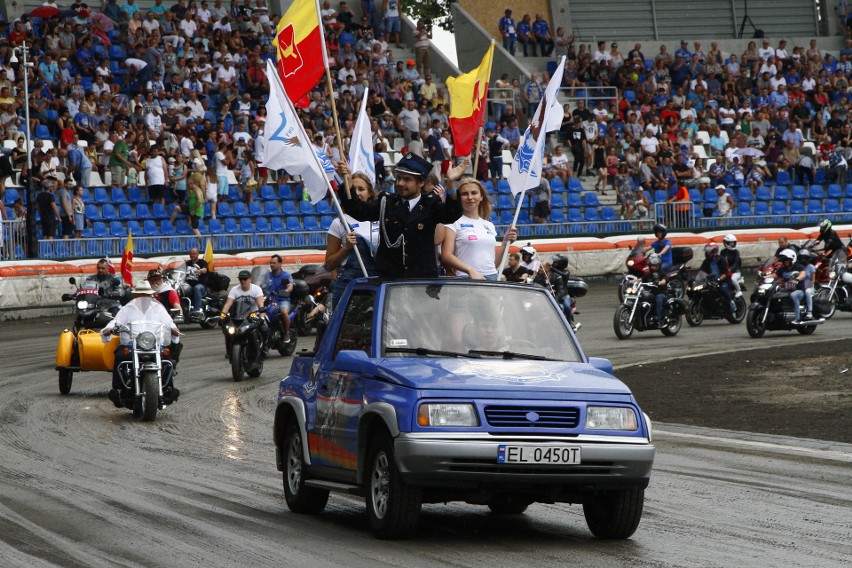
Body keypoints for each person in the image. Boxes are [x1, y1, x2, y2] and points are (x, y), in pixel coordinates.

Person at [339, 153, 465, 278]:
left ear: (421, 182)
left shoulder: (430, 203)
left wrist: (451, 184)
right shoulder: (386, 201)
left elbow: (451, 215)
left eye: (407, 180)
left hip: (421, 281)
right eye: (399, 178)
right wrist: (347, 182)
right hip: (390, 280)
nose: (400, 183)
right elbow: (358, 210)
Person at [101, 280, 181, 408]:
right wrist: (108, 329)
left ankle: (168, 389)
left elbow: (169, 322)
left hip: (154, 344)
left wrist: (174, 329)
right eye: (140, 294)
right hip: (131, 344)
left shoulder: (158, 308)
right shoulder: (127, 309)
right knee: (120, 355)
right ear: (135, 295)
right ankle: (118, 390)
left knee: (167, 358)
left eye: (146, 294)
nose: (143, 297)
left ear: (150, 295)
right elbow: (116, 322)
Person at [440, 178, 516, 280]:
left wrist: (504, 244)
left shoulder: (489, 225)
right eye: (464, 194)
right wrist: (469, 270)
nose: (470, 197)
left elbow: (493, 265)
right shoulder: (452, 222)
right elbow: (446, 256)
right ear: (459, 198)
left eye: (474, 193)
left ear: (481, 197)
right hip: (466, 279)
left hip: (492, 278)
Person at [324, 171, 379, 310]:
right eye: (353, 189)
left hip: (378, 282)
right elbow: (329, 265)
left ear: (370, 193)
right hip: (349, 285)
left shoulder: (381, 219)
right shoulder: (339, 223)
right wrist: (346, 248)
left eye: (361, 189)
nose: (357, 193)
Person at [220, 269, 267, 345]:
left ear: (250, 279)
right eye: (241, 279)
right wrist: (222, 316)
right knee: (227, 329)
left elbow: (260, 304)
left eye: (245, 279)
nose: (243, 281)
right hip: (238, 316)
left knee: (264, 327)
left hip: (253, 315)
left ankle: (264, 346)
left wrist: (262, 317)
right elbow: (228, 304)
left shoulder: (256, 289)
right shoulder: (234, 290)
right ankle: (230, 348)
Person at [775, 249, 811, 323]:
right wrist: (764, 276)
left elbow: (803, 275)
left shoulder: (799, 267)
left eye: (787, 260)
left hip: (799, 290)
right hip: (786, 290)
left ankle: (797, 318)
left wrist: (797, 279)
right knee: (774, 294)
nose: (786, 262)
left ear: (792, 259)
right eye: (784, 260)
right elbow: (774, 275)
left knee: (794, 295)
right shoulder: (782, 269)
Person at [699, 243, 736, 314]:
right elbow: (701, 271)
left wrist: (719, 279)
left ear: (714, 251)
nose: (707, 253)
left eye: (709, 251)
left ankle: (731, 302)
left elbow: (725, 273)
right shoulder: (706, 261)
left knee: (723, 288)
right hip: (711, 281)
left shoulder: (721, 260)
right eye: (707, 251)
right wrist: (697, 279)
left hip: (723, 281)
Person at [547, 254, 580, 331]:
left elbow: (563, 275)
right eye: (554, 262)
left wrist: (552, 268)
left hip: (564, 294)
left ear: (561, 263)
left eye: (556, 262)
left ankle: (570, 321)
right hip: (553, 292)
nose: (554, 263)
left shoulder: (566, 272)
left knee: (567, 306)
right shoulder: (550, 272)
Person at [643, 254, 669, 328]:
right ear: (650, 266)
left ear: (659, 266)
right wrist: (632, 281)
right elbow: (641, 279)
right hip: (651, 293)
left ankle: (658, 317)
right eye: (653, 266)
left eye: (656, 266)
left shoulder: (662, 273)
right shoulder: (648, 274)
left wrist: (660, 282)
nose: (654, 267)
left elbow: (664, 280)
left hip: (662, 293)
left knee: (659, 298)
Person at [184, 247, 210, 316]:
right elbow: (180, 269)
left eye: (194, 254)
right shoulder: (187, 263)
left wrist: (200, 270)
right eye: (191, 254)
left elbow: (205, 269)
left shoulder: (202, 262)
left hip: (200, 285)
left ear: (198, 254)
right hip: (188, 285)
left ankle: (197, 310)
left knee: (197, 288)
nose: (192, 255)